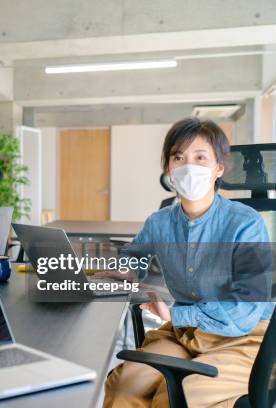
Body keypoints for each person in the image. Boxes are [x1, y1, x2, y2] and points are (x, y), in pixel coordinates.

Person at [103, 117, 274, 407]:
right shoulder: (160, 222)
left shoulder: (245, 223)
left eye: (200, 157)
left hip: (242, 339)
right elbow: (135, 255)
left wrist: (175, 315)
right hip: (185, 336)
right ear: (169, 168)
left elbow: (243, 310)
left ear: (219, 168)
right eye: (178, 157)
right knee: (124, 388)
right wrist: (128, 269)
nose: (188, 166)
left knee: (173, 397)